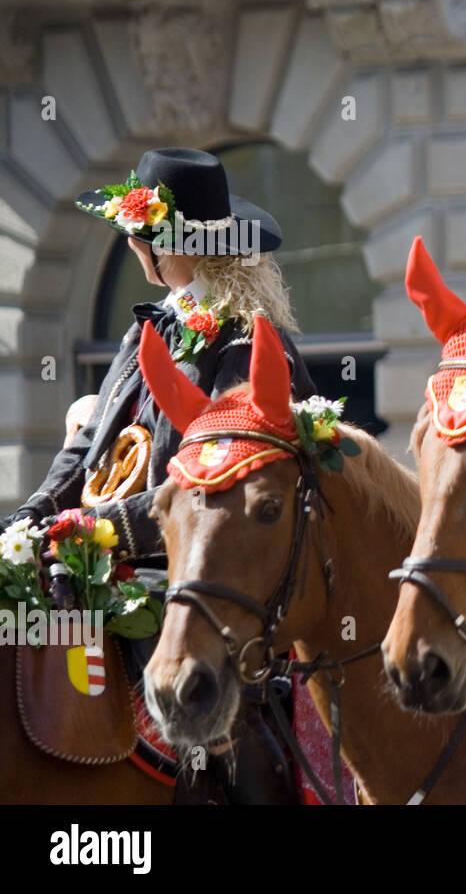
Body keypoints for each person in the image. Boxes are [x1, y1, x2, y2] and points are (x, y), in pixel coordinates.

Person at [3, 147, 316, 803]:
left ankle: (231, 782)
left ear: (163, 242)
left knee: (191, 673)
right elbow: (84, 454)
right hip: (92, 544)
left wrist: (99, 528)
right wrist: (29, 521)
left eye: (139, 233)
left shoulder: (246, 345)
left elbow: (220, 492)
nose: (132, 243)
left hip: (194, 564)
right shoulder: (148, 328)